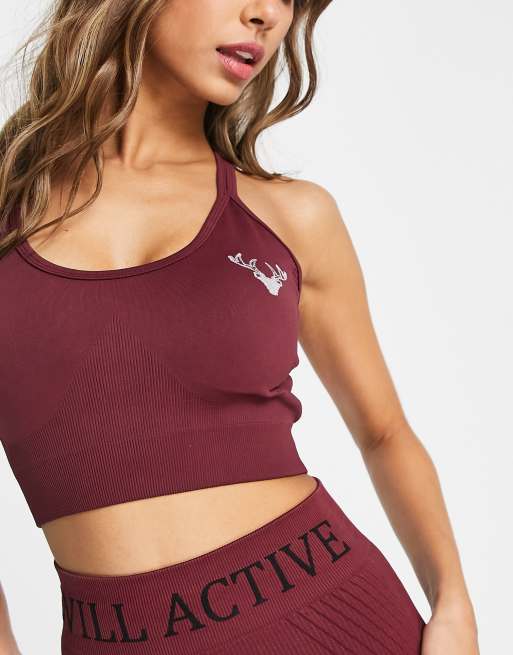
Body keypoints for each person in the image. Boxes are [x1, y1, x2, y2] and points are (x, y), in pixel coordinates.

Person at [0, 1, 479, 653]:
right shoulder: (10, 214)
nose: (267, 16)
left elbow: (383, 430)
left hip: (328, 621)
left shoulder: (286, 216)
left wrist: (454, 607)